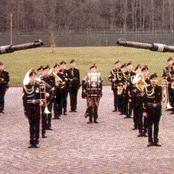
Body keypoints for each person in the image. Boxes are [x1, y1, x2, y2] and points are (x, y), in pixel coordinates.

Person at [23, 70, 44, 148]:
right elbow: (24, 99)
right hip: (29, 108)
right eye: (31, 77)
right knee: (31, 125)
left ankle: (37, 140)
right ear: (29, 78)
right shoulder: (26, 87)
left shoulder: (39, 85)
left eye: (34, 77)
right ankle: (31, 140)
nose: (33, 78)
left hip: (37, 108)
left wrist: (41, 102)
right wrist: (25, 110)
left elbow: (42, 97)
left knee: (37, 124)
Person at [143, 73, 162, 147]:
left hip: (157, 108)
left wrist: (156, 103)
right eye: (152, 79)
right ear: (150, 80)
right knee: (149, 125)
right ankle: (150, 140)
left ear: (157, 80)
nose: (154, 80)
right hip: (149, 108)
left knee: (156, 125)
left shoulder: (159, 88)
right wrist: (144, 110)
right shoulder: (146, 88)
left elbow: (160, 98)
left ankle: (156, 140)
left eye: (155, 79)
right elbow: (144, 100)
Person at [42, 65, 55, 130]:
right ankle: (44, 125)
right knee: (43, 112)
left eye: (48, 70)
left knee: (49, 111)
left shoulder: (52, 78)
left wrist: (50, 94)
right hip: (43, 98)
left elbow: (53, 87)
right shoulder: (41, 79)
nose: (46, 72)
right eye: (45, 71)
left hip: (49, 97)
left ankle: (49, 124)